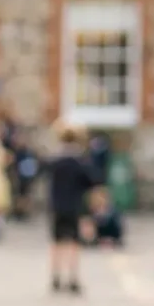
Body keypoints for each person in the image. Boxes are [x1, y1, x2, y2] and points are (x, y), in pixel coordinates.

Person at [46, 122, 99, 294]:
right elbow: (92, 182)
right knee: (74, 243)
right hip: (75, 206)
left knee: (57, 242)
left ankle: (55, 276)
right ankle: (73, 277)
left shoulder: (55, 160)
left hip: (57, 206)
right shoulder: (80, 162)